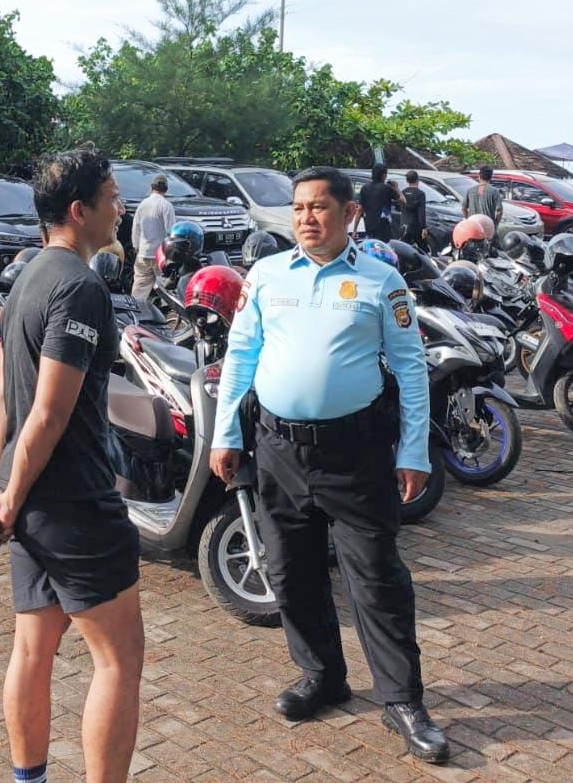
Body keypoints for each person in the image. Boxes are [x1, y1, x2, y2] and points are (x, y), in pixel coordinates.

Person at [209, 166, 447, 764]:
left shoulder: (382, 281)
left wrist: (414, 450)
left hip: (355, 453)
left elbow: (412, 370)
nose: (306, 219)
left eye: (319, 208)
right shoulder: (265, 276)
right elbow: (241, 357)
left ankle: (402, 700)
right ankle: (322, 675)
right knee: (290, 569)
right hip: (277, 448)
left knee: (376, 577)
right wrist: (225, 433)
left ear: (350, 214)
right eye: (297, 209)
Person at [0, 149, 143, 783]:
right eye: (113, 197)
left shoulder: (28, 277)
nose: (121, 208)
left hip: (29, 497)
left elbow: (3, 398)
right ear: (79, 209)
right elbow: (48, 412)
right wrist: (6, 496)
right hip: (71, 500)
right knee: (118, 660)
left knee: (33, 651)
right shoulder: (79, 286)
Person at [129, 174, 175, 300]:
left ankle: (135, 314)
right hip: (160, 255)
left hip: (143, 253)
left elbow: (136, 228)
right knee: (165, 289)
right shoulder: (166, 206)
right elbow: (170, 231)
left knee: (139, 289)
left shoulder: (143, 204)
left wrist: (136, 247)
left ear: (151, 187)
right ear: (166, 189)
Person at [357, 163, 401, 242]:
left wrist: (354, 230)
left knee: (371, 248)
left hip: (369, 226)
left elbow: (360, 209)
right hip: (384, 227)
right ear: (383, 175)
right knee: (384, 250)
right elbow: (403, 201)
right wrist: (396, 188)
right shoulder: (387, 188)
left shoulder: (364, 188)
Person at [400, 170, 428, 250]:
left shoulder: (403, 193)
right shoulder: (420, 194)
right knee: (422, 250)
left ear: (407, 180)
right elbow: (421, 212)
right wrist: (424, 228)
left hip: (404, 226)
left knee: (404, 250)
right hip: (416, 227)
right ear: (417, 180)